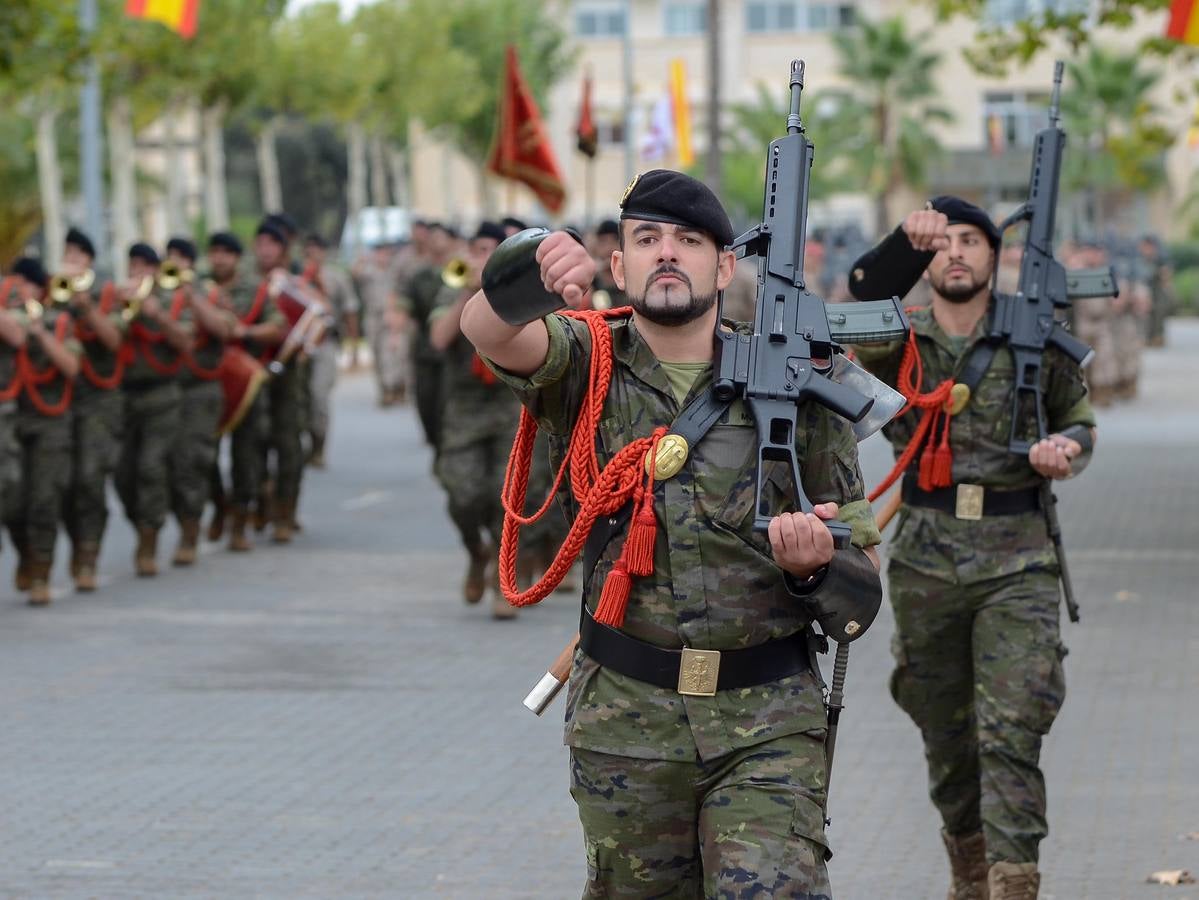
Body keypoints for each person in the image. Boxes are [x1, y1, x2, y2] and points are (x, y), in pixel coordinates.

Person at [461, 169, 882, 897]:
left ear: (724, 266)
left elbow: (861, 591)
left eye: (688, 241)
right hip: (627, 723)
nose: (666, 253)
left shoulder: (797, 380)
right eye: (646, 238)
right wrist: (529, 262)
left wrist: (817, 571)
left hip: (767, 726)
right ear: (616, 264)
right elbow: (488, 329)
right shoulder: (584, 359)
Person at [847, 197, 1097, 899]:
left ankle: (1014, 885)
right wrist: (901, 242)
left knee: (1010, 728)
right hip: (925, 560)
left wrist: (1064, 450)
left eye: (971, 240)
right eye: (942, 241)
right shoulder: (896, 338)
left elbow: (1080, 420)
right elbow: (854, 302)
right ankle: (969, 871)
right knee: (947, 736)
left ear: (995, 255)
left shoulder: (1033, 335)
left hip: (1017, 559)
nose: (955, 252)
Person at [428, 221, 522, 619]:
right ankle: (475, 550)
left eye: (491, 250)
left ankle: (503, 585)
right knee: (461, 493)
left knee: (508, 497)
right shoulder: (452, 288)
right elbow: (438, 339)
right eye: (477, 248)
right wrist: (469, 294)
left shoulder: (519, 293)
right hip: (463, 409)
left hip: (507, 405)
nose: (482, 256)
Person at [114, 242, 194, 576]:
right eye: (133, 264)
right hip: (124, 398)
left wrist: (156, 313)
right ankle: (143, 524)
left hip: (163, 396)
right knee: (122, 475)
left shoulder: (173, 300)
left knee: (152, 467)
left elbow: (186, 342)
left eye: (146, 265)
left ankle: (150, 541)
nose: (138, 272)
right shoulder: (117, 299)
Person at [7, 257, 80, 604]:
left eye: (26, 284)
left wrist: (41, 334)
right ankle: (25, 553)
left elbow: (72, 367)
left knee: (44, 498)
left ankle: (41, 572)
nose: (19, 291)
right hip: (12, 421)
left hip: (50, 421)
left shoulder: (59, 321)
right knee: (11, 500)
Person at [61, 227, 127, 592]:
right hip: (61, 401)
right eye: (67, 254)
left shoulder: (106, 295)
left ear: (89, 261)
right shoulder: (53, 292)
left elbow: (114, 340)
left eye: (77, 256)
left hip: (98, 400)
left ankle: (88, 554)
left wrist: (86, 307)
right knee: (62, 483)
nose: (70, 262)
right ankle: (74, 543)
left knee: (89, 478)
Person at [214, 230, 286, 552]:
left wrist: (244, 331)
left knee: (248, 455)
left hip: (247, 382)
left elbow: (276, 327)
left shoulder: (254, 290)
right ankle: (219, 505)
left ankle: (241, 521)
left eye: (225, 252)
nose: (218, 258)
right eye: (213, 252)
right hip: (209, 380)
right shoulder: (198, 288)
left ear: (236, 258)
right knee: (200, 456)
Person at [164, 236, 234, 565]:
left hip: (201, 389)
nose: (174, 263)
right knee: (169, 464)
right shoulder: (157, 295)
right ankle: (210, 507)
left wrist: (192, 298)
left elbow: (223, 329)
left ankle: (190, 530)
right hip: (166, 391)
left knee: (194, 460)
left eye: (180, 257)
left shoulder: (210, 293)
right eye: (170, 257)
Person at [397, 222, 458, 453]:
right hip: (425, 348)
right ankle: (436, 443)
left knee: (448, 403)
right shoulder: (418, 275)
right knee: (426, 402)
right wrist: (397, 327)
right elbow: (405, 305)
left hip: (454, 352)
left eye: (441, 237)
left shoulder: (461, 271)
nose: (436, 242)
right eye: (432, 238)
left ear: (452, 241)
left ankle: (449, 448)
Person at [302, 232, 360, 468]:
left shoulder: (336, 278)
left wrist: (353, 347)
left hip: (325, 344)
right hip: (298, 346)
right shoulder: (296, 277)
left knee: (319, 396)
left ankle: (318, 447)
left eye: (317, 249)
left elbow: (350, 310)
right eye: (309, 249)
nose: (313, 254)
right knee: (301, 400)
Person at [354, 242, 408, 407]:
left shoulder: (395, 272)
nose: (382, 257)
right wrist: (364, 259)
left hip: (391, 315)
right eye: (379, 253)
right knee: (376, 354)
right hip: (372, 317)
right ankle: (384, 388)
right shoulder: (369, 271)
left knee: (391, 353)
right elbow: (355, 273)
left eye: (385, 253)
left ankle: (392, 388)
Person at [0, 274, 25, 581]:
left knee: (9, 485)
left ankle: (27, 548)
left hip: (5, 410)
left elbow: (17, 335)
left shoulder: (10, 289)